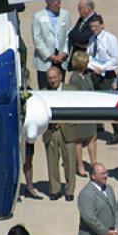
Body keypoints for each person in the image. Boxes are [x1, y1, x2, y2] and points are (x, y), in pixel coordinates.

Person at [38, 66, 77, 200]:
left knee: (70, 162)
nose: (52, 81)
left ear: (60, 76)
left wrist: (64, 121)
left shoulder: (71, 91)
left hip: (67, 129)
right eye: (50, 78)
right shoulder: (43, 92)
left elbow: (76, 110)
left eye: (54, 77)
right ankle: (55, 190)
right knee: (52, 161)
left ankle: (70, 191)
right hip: (50, 131)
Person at [77, 163, 118, 235]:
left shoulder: (108, 189)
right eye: (102, 173)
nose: (106, 176)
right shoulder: (86, 193)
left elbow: (116, 209)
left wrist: (116, 228)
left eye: (106, 173)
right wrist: (106, 233)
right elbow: (89, 218)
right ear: (93, 176)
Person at [66, 51, 97, 177]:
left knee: (92, 137)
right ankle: (80, 165)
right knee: (78, 140)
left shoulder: (87, 75)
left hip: (90, 111)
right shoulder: (74, 78)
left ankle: (94, 163)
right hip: (80, 112)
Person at [32, 0, 70, 90]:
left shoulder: (65, 14)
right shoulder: (38, 16)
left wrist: (64, 52)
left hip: (61, 59)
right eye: (57, 4)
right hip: (45, 60)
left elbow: (68, 35)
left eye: (60, 3)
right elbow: (37, 39)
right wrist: (49, 56)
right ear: (48, 3)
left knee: (60, 88)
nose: (59, 6)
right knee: (45, 88)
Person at [86, 14, 118, 89]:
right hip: (93, 74)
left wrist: (101, 68)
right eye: (91, 26)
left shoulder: (110, 39)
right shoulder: (91, 39)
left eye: (96, 26)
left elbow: (115, 60)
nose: (93, 29)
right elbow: (89, 56)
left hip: (106, 76)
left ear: (102, 25)